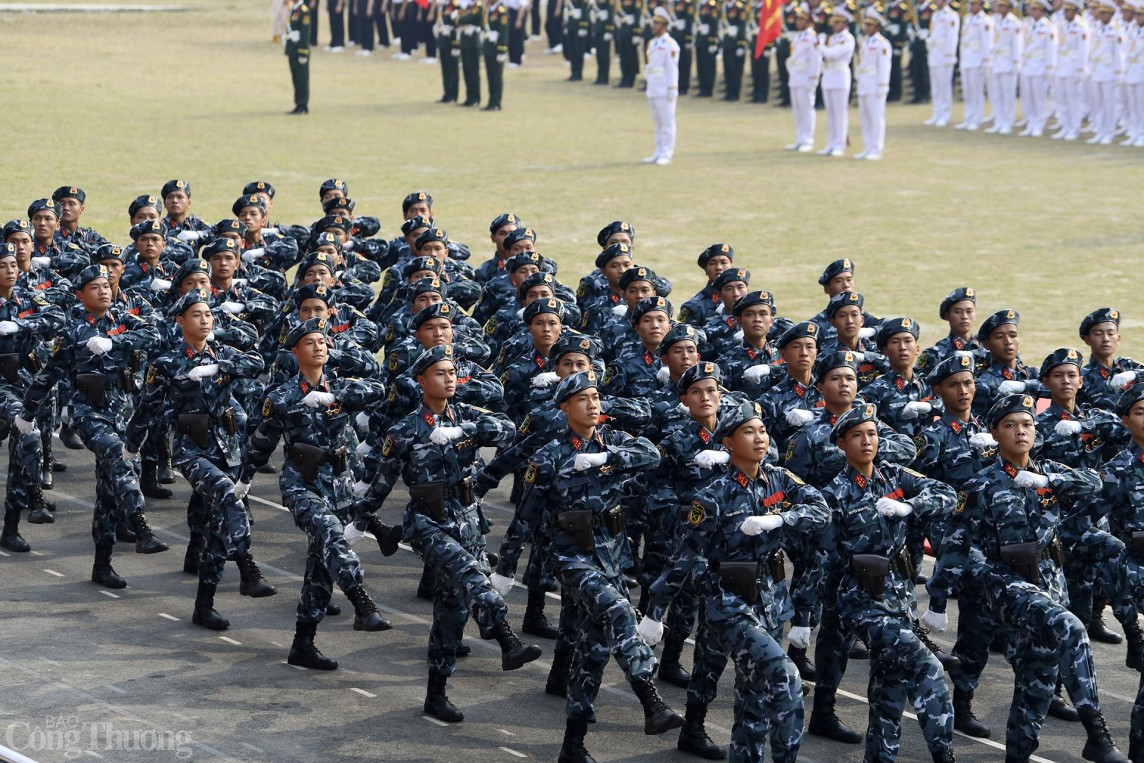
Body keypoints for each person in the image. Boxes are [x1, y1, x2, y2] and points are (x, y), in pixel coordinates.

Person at [922, 393, 1130, 763]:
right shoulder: (982, 484)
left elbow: (1095, 483)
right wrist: (938, 600)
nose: (1021, 431)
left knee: (1037, 682)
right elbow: (955, 544)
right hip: (1002, 582)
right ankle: (1096, 734)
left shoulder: (1048, 472)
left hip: (1049, 582)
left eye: (1027, 424)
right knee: (1071, 628)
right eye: (1010, 425)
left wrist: (1045, 479)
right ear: (995, 434)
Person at [352, 344, 541, 722]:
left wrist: (463, 429)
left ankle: (435, 694)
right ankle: (504, 637)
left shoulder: (467, 415)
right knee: (472, 575)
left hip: (468, 520)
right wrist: (360, 522)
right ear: (421, 380)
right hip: (427, 524)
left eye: (452, 372)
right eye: (440, 373)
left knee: (452, 610)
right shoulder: (404, 431)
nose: (449, 378)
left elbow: (507, 429)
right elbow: (381, 482)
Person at [506, 370, 684, 761]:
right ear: (565, 407)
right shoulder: (549, 457)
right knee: (620, 612)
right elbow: (525, 516)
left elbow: (651, 454)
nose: (592, 404)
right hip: (571, 558)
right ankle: (650, 700)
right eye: (582, 399)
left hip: (612, 559)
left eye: (595, 397)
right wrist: (505, 567)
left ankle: (572, 745)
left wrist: (607, 456)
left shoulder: (614, 442)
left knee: (592, 652)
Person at [643, 396, 828, 762]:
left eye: (762, 430)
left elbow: (820, 509)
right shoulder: (713, 496)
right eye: (748, 431)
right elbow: (684, 556)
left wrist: (781, 519)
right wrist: (654, 611)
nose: (759, 437)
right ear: (728, 443)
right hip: (729, 604)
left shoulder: (779, 477)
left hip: (771, 600)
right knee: (785, 678)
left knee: (753, 697)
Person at [237, 318, 393, 671]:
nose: (319, 346)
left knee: (320, 568)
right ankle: (362, 603)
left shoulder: (341, 387)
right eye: (309, 342)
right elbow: (262, 441)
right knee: (331, 535)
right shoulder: (281, 397)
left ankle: (302, 645)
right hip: (301, 484)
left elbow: (379, 388)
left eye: (322, 341)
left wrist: (336, 396)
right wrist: (244, 479)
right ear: (295, 352)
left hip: (338, 487)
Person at [811, 403, 958, 763]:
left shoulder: (895, 476)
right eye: (857, 435)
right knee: (927, 667)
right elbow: (822, 561)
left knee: (889, 686)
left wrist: (913, 506)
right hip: (858, 601)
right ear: (842, 443)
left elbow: (947, 495)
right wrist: (804, 615)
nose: (867, 441)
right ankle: (944, 754)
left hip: (899, 597)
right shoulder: (835, 494)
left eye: (872, 434)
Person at [125, 289, 276, 630]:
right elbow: (147, 408)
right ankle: (247, 567)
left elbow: (257, 363)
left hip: (227, 446)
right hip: (192, 450)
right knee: (227, 496)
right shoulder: (166, 364)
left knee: (217, 527)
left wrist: (217, 365)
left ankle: (203, 606)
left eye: (208, 314)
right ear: (180, 321)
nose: (205, 319)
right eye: (196, 314)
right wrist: (130, 448)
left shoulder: (222, 353)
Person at [17, 265, 167, 588]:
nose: (103, 291)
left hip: (123, 413)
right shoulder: (71, 333)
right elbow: (49, 375)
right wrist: (28, 412)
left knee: (109, 488)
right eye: (94, 287)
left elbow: (156, 334)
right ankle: (141, 525)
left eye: (106, 285)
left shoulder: (124, 320)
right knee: (117, 456)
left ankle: (102, 564)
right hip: (89, 413)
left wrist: (118, 342)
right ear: (80, 295)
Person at [644, 7, 681, 165]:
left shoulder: (670, 45)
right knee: (657, 122)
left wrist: (672, 88)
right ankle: (658, 150)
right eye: (653, 23)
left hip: (665, 89)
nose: (653, 26)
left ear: (664, 25)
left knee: (667, 122)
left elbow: (672, 69)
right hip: (653, 87)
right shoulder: (652, 44)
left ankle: (667, 152)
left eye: (657, 24)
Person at [818, 6, 855, 157]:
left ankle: (839, 145)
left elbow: (833, 54)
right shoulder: (832, 38)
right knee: (830, 113)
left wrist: (820, 46)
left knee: (840, 113)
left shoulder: (847, 39)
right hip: (828, 75)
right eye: (834, 22)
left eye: (838, 22)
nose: (835, 25)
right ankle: (831, 143)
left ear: (845, 23)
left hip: (840, 76)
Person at [855, 7, 892, 160]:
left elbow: (883, 67)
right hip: (864, 84)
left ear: (876, 26)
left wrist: (882, 87)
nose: (866, 27)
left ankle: (876, 148)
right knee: (865, 118)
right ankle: (868, 146)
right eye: (865, 24)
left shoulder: (881, 44)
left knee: (876, 118)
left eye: (869, 25)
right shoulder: (865, 42)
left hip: (875, 86)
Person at [786, 3, 821, 152]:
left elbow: (815, 60)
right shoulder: (798, 37)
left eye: (801, 20)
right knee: (797, 110)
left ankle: (808, 139)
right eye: (797, 19)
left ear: (808, 22)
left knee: (806, 109)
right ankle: (800, 138)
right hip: (795, 77)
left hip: (806, 78)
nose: (797, 22)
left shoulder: (811, 38)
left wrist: (813, 79)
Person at [985, 0, 1020, 135]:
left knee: (1008, 95)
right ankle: (999, 121)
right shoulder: (995, 21)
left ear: (1008, 8)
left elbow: (1017, 45)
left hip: (1008, 63)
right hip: (996, 62)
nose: (997, 7)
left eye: (1001, 5)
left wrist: (1016, 63)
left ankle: (1007, 122)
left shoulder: (1014, 23)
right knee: (997, 95)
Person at [923, 0, 959, 127]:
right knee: (936, 87)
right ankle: (937, 113)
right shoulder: (935, 14)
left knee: (944, 87)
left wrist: (949, 56)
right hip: (934, 54)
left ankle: (945, 114)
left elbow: (952, 37)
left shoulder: (951, 15)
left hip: (944, 55)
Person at [286, 0, 313, 115]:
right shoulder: (293, 9)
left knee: (302, 79)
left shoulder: (304, 11)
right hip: (292, 49)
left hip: (300, 51)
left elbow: (305, 34)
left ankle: (302, 105)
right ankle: (298, 104)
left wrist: (303, 52)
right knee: (295, 79)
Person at [484, 0, 510, 109]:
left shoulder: (501, 11)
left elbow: (503, 32)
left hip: (496, 49)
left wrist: (502, 50)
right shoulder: (490, 10)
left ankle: (496, 102)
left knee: (496, 77)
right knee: (490, 76)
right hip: (489, 48)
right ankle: (491, 101)